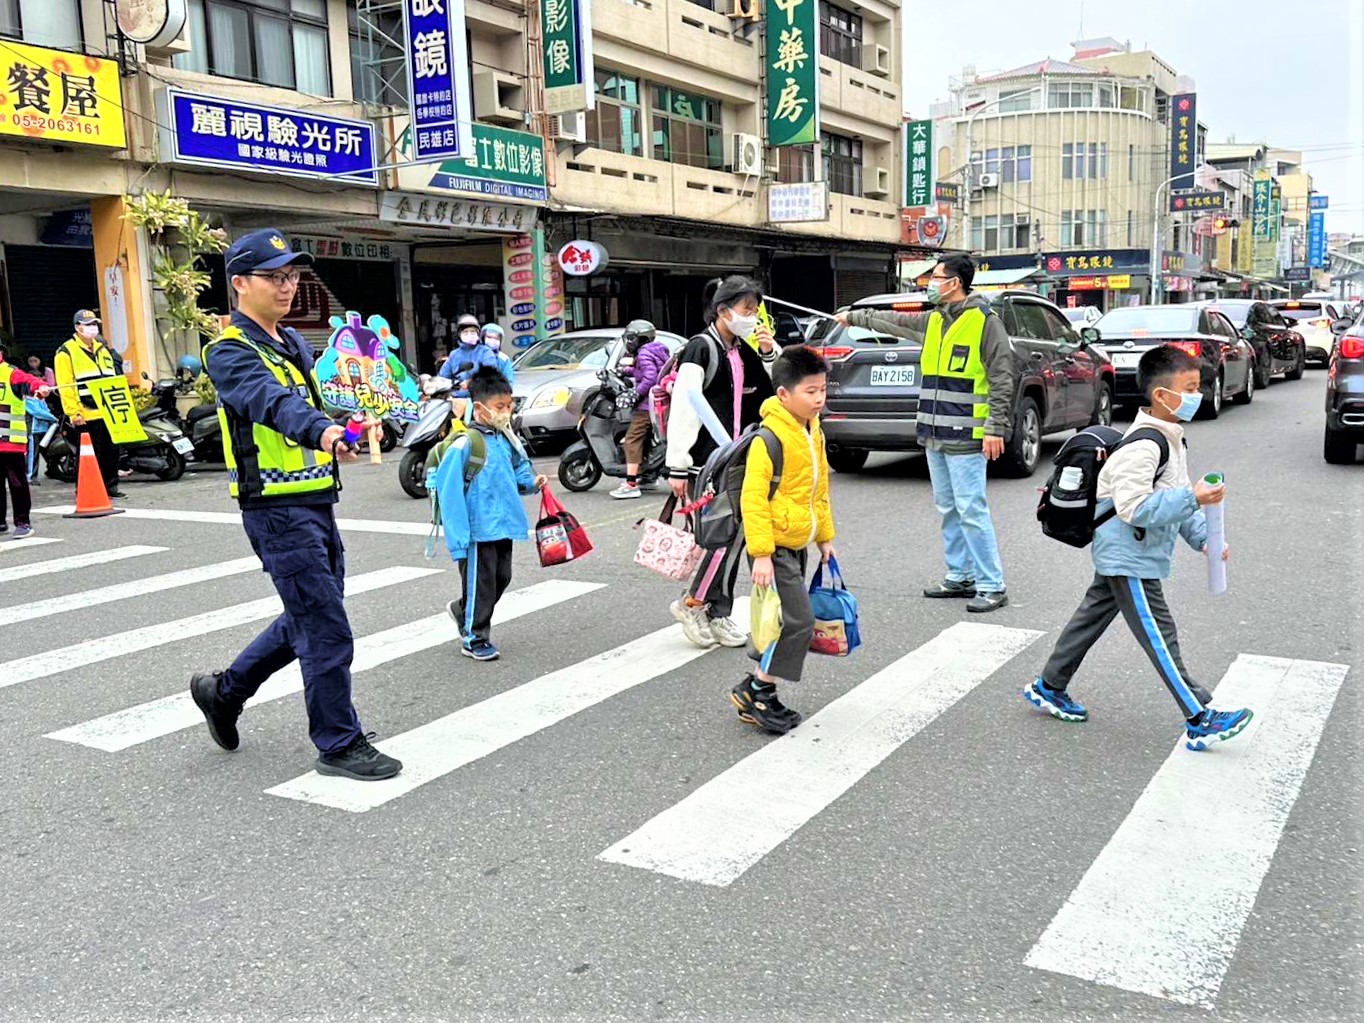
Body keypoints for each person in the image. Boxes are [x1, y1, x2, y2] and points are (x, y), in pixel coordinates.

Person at [189, 228, 402, 782]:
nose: (287, 286)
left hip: (313, 500)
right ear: (240, 283)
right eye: (274, 277)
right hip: (275, 510)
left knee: (311, 614)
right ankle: (338, 743)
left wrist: (350, 426)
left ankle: (224, 691)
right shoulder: (230, 352)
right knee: (325, 625)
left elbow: (312, 402)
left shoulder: (293, 344)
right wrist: (324, 433)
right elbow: (273, 404)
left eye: (292, 276)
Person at [1023, 345, 1253, 751]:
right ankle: (1199, 716)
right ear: (1162, 396)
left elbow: (1176, 496)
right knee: (1159, 634)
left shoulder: (1171, 438)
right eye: (1190, 388)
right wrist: (1194, 500)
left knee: (1090, 619)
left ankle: (1049, 685)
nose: (1197, 396)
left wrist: (1205, 539)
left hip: (1131, 553)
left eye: (1198, 387)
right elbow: (1135, 509)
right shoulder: (1144, 447)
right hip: (1130, 557)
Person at [837, 254, 1014, 613]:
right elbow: (893, 321)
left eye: (937, 276)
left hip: (967, 433)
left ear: (956, 283)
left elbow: (1002, 378)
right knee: (949, 508)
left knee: (971, 509)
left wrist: (995, 428)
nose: (931, 282)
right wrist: (853, 316)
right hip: (933, 431)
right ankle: (960, 576)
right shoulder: (934, 319)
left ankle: (992, 584)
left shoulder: (985, 322)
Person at [666, 276, 778, 648]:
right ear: (723, 311)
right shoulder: (701, 348)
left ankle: (718, 611)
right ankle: (693, 604)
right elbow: (684, 405)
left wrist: (767, 350)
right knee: (719, 537)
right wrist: (677, 465)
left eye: (755, 310)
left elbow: (774, 390)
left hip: (738, 457)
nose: (752, 317)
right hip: (706, 462)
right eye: (746, 310)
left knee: (736, 538)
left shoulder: (742, 348)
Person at [732, 345, 837, 734]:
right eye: (810, 391)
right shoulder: (769, 439)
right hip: (773, 547)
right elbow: (753, 499)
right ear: (784, 395)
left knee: (782, 621)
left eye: (823, 389)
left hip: (798, 541)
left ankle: (760, 689)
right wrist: (760, 554)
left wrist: (825, 537)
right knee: (799, 622)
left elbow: (819, 487)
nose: (819, 398)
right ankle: (758, 689)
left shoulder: (813, 431)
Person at [432, 365, 547, 661]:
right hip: (477, 528)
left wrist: (532, 483)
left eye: (509, 405)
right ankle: (474, 637)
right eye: (500, 406)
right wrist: (458, 540)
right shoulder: (465, 444)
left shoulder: (506, 438)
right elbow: (449, 494)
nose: (506, 412)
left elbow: (519, 468)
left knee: (501, 578)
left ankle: (464, 611)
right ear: (480, 408)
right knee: (480, 585)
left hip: (504, 524)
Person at [54, 309, 123, 498]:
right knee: (89, 455)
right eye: (88, 325)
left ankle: (111, 486)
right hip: (86, 412)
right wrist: (74, 413)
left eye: (95, 324)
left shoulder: (102, 349)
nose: (93, 328)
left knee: (111, 451)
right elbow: (65, 386)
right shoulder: (66, 352)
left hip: (108, 410)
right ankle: (88, 489)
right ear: (77, 328)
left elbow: (113, 378)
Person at [610, 319, 670, 500]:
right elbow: (646, 371)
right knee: (645, 440)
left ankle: (630, 483)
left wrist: (635, 394)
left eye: (630, 338)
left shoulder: (643, 354)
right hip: (658, 404)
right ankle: (648, 477)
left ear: (639, 338)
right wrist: (625, 371)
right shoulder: (655, 350)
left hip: (646, 406)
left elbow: (650, 377)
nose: (628, 342)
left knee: (632, 440)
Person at [0, 344, 52, 539]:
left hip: (10, 441)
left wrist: (41, 388)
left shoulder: (9, 373)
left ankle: (23, 523)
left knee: (17, 484)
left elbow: (30, 382)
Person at [438, 314, 510, 394]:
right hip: (456, 398)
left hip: (479, 397)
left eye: (473, 332)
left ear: (478, 334)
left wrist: (470, 382)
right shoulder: (454, 354)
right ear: (459, 335)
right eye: (465, 332)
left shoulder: (485, 352)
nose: (469, 335)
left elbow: (489, 374)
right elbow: (443, 377)